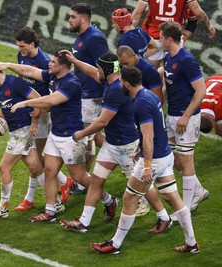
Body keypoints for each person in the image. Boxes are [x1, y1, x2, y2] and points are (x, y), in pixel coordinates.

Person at [90, 66, 200, 254]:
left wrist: (147, 165)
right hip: (165, 155)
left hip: (154, 159)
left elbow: (148, 135)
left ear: (126, 83)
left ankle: (114, 244)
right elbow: (153, 132)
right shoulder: (149, 95)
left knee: (129, 198)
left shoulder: (141, 103)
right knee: (173, 198)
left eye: (120, 82)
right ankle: (191, 243)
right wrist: (140, 149)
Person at [59, 51, 171, 233]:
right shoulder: (112, 80)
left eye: (99, 67)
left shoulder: (116, 91)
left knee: (143, 186)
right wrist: (74, 60)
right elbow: (92, 73)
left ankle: (164, 217)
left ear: (106, 69)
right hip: (112, 144)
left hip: (126, 146)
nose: (96, 70)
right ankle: (84, 223)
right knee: (96, 181)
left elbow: (103, 122)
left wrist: (81, 134)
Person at [0, 52, 90, 222]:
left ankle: (107, 199)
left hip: (70, 135)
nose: (49, 64)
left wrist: (24, 103)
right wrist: (7, 65)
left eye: (53, 62)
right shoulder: (53, 76)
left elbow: (50, 101)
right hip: (56, 133)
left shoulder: (71, 83)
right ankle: (51, 211)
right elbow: (29, 71)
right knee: (48, 171)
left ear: (63, 66)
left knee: (80, 177)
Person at [13, 27, 74, 210]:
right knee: (33, 156)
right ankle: (62, 183)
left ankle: (57, 185)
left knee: (36, 158)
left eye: (22, 46)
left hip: (42, 113)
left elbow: (48, 95)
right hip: (30, 109)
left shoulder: (46, 63)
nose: (20, 50)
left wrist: (34, 120)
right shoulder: (21, 57)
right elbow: (22, 78)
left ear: (32, 44)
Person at [0, 57, 44, 219]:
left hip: (24, 130)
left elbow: (38, 99)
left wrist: (34, 122)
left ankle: (3, 208)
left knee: (4, 167)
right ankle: (56, 198)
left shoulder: (15, 83)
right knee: (35, 168)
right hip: (15, 132)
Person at [159, 21, 208, 215]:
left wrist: (186, 117)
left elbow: (201, 90)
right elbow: (167, 85)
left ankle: (185, 210)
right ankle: (198, 191)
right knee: (174, 160)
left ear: (169, 39)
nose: (159, 40)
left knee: (186, 162)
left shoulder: (186, 59)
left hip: (186, 119)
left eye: (161, 37)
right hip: (171, 116)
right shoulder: (167, 57)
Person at [116, 45, 163, 216]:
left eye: (127, 63)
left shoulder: (148, 70)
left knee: (141, 174)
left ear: (134, 56)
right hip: (137, 114)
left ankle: (148, 205)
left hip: (146, 116)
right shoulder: (128, 71)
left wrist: (152, 116)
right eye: (122, 64)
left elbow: (158, 97)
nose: (125, 67)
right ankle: (165, 217)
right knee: (169, 190)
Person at [68, 3, 109, 195]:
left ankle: (82, 180)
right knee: (91, 136)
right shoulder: (81, 37)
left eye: (73, 17)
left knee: (86, 137)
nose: (70, 20)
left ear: (84, 19)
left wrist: (103, 92)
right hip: (83, 94)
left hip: (93, 96)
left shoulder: (95, 39)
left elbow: (106, 67)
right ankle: (120, 149)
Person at [132, 0, 215, 67]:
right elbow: (199, 14)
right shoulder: (189, 5)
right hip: (174, 40)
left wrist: (129, 32)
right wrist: (210, 27)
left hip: (154, 40)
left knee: (149, 75)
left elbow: (137, 13)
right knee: (172, 77)